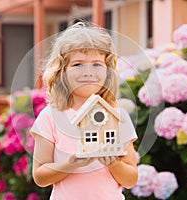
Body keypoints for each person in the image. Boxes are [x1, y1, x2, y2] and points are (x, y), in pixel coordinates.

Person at [30, 22, 138, 200]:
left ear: (108, 71)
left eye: (96, 64)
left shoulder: (116, 115)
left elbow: (130, 179)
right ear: (61, 72)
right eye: (78, 64)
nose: (88, 72)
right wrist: (70, 164)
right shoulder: (51, 116)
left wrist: (114, 164)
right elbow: (40, 176)